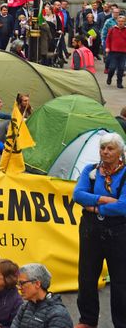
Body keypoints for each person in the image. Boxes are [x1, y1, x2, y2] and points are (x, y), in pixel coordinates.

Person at [72, 132, 125, 328]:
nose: (105, 152)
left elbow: (123, 207)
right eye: (103, 148)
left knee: (121, 281)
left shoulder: (125, 173)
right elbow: (77, 195)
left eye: (110, 148)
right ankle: (87, 320)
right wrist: (102, 200)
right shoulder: (91, 170)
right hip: (90, 229)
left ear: (120, 151)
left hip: (119, 231)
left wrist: (92, 206)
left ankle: (121, 323)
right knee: (86, 276)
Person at [10, 263, 72, 328]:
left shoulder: (58, 314)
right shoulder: (24, 308)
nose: (19, 288)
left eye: (22, 283)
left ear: (37, 284)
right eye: (18, 284)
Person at [105, 14, 126, 88]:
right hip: (113, 52)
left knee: (121, 68)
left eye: (122, 21)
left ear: (125, 22)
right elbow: (108, 40)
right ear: (117, 21)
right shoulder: (112, 29)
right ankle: (109, 77)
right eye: (119, 21)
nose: (121, 22)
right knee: (112, 68)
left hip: (123, 53)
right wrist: (107, 47)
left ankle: (119, 83)